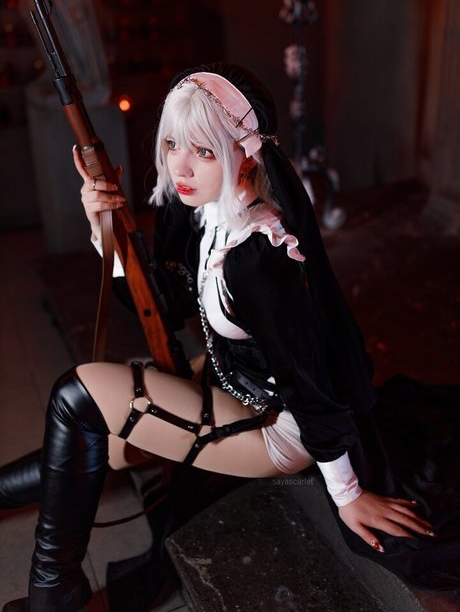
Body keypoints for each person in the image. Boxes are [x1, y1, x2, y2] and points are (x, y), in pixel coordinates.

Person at [2, 62, 459, 611]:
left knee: (78, 397)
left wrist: (347, 494)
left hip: (280, 425)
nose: (180, 166)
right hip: (236, 380)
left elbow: (309, 379)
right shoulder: (205, 213)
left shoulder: (259, 254)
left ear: (245, 153)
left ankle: (55, 600)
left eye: (204, 151)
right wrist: (106, 231)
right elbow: (167, 306)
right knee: (109, 442)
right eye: (173, 144)